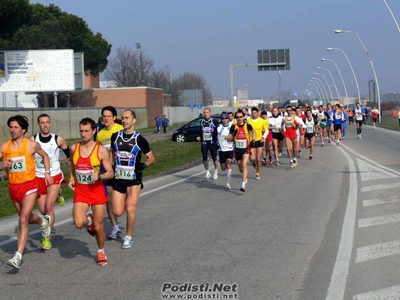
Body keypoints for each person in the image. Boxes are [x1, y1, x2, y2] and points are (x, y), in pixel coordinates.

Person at [0, 115, 52, 269]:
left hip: (30, 185)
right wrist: (3, 165)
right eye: (11, 127)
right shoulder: (4, 147)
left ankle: (18, 256)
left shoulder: (31, 145)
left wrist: (47, 172)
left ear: (23, 130)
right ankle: (43, 222)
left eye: (16, 127)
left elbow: (45, 156)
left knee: (22, 220)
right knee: (27, 218)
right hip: (14, 187)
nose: (12, 130)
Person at [68, 118, 114, 266]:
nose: (84, 134)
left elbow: (110, 173)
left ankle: (101, 251)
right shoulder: (74, 148)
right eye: (81, 131)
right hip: (81, 191)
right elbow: (70, 162)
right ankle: (89, 219)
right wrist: (71, 177)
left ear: (94, 131)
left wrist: (99, 176)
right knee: (78, 223)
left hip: (97, 192)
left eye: (87, 131)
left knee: (99, 227)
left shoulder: (101, 150)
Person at [111, 109, 155, 249]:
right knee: (117, 211)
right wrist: (110, 167)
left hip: (134, 179)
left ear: (134, 120)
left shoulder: (140, 139)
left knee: (130, 207)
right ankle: (123, 201)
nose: (124, 120)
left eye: (127, 118)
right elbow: (111, 153)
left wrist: (145, 165)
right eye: (123, 118)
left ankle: (128, 237)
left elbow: (152, 158)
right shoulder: (115, 136)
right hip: (118, 178)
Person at [31, 113, 70, 250]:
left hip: (54, 176)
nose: (45, 125)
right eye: (42, 123)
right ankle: (59, 195)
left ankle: (46, 238)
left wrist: (72, 170)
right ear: (38, 125)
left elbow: (69, 154)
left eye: (47, 122)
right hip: (39, 176)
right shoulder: (33, 140)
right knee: (42, 210)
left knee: (49, 207)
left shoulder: (58, 139)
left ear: (50, 123)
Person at [96, 106, 124, 240]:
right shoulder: (100, 134)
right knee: (109, 198)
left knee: (123, 198)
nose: (106, 118)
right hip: (108, 170)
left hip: (122, 169)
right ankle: (115, 227)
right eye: (104, 116)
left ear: (114, 117)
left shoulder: (120, 130)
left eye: (108, 116)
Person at [228, 110, 255, 192]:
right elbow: (228, 138)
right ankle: (244, 176)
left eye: (241, 117)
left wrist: (253, 140)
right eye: (238, 117)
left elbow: (254, 132)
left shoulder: (247, 125)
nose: (239, 118)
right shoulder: (233, 126)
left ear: (243, 117)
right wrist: (233, 134)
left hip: (246, 148)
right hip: (237, 149)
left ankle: (243, 184)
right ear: (236, 118)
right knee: (240, 167)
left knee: (244, 164)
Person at [196, 108, 219, 179]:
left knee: (214, 158)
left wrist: (215, 135)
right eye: (204, 112)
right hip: (204, 142)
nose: (206, 114)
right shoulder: (202, 121)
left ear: (210, 113)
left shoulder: (214, 121)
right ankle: (207, 171)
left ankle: (215, 171)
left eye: (207, 112)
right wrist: (199, 136)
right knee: (204, 158)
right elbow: (200, 131)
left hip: (212, 142)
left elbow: (218, 130)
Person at [247, 107, 269, 179]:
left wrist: (263, 137)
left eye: (255, 113)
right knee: (252, 158)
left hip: (259, 141)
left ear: (257, 113)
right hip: (251, 141)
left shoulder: (261, 121)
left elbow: (266, 130)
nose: (254, 114)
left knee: (258, 158)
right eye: (252, 113)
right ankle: (254, 163)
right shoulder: (248, 121)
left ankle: (257, 173)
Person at [217, 112, 234, 189]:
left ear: (228, 118)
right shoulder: (219, 128)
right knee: (223, 168)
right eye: (223, 119)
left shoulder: (231, 126)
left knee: (229, 164)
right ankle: (227, 172)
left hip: (230, 149)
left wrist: (232, 138)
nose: (224, 120)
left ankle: (228, 182)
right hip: (222, 150)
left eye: (226, 118)